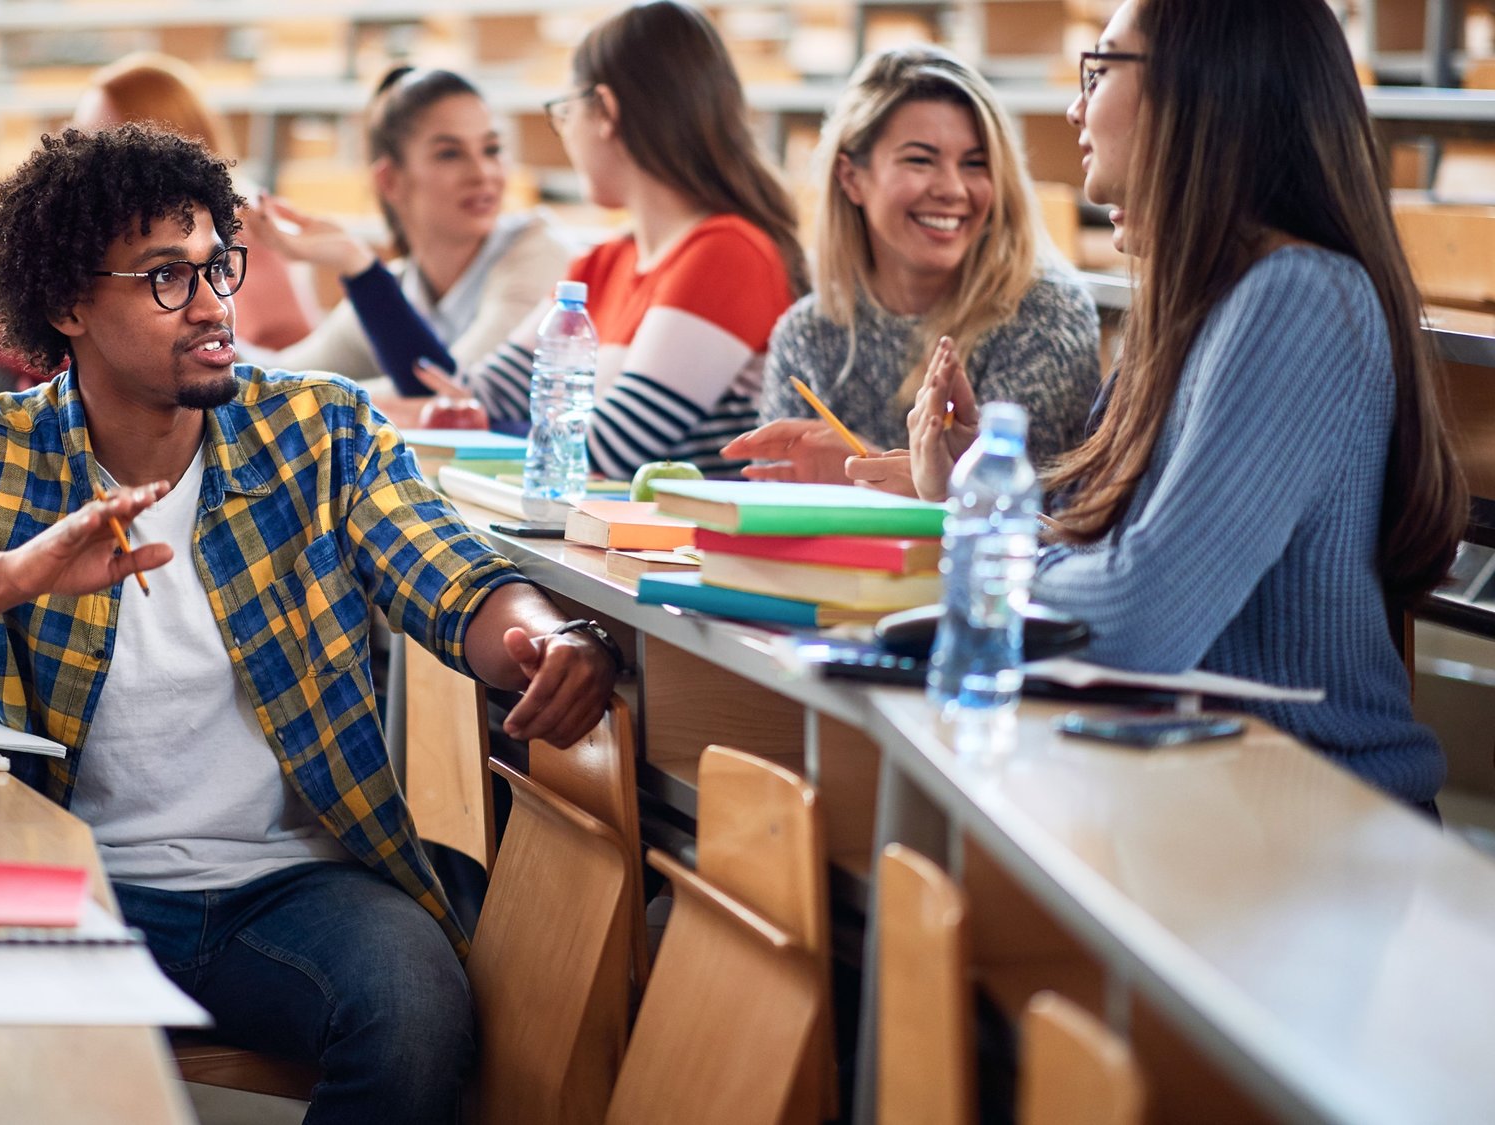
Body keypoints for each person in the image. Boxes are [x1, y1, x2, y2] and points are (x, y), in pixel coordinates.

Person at [0, 124, 620, 1124]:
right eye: (165, 276)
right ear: (69, 304)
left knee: (412, 1009)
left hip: (294, 891)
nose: (212, 305)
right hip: (66, 884)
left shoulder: (319, 430)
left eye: (217, 267)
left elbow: (454, 581)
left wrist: (547, 641)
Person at [1014, 0, 1464, 806]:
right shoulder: (1190, 303)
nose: (1076, 107)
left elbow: (1136, 617)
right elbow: (1096, 545)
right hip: (1194, 793)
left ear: (1199, 90)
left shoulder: (1301, 297)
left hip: (1309, 821)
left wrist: (985, 540)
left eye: (1101, 67)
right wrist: (975, 486)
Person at [366, 0, 810, 478]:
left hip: (678, 550)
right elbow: (464, 395)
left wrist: (478, 423)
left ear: (605, 111)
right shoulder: (601, 264)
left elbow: (609, 451)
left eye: (564, 112)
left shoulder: (727, 252)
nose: (564, 133)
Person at [721, 45, 1099, 493]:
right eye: (920, 160)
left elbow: (1038, 522)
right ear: (851, 178)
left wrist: (863, 471)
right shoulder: (808, 331)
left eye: (975, 164)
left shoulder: (1047, 317)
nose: (953, 189)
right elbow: (777, 511)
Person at [0, 52, 319, 410]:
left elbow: (191, 349)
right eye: (78, 135)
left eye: (104, 139)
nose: (83, 158)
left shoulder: (231, 227)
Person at [242, 66, 570, 395]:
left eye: (492, 150)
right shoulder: (399, 286)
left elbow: (452, 395)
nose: (483, 173)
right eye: (450, 154)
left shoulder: (538, 253)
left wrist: (361, 270)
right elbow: (277, 379)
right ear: (390, 180)